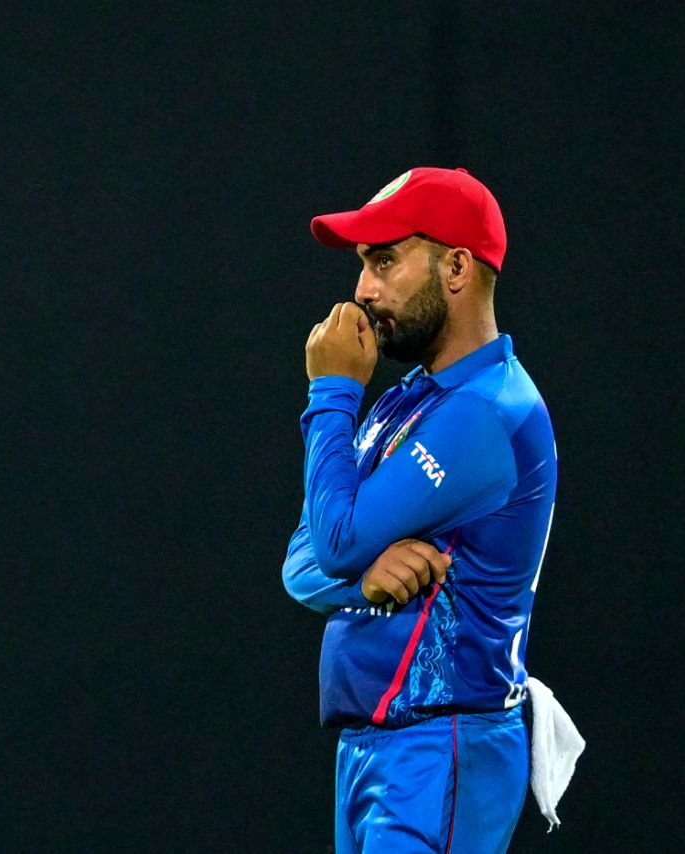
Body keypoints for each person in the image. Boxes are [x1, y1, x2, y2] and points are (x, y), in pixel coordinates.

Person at [282, 166, 557, 853]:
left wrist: (333, 391)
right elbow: (302, 560)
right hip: (382, 748)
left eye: (384, 261)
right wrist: (363, 572)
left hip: (443, 746)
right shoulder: (412, 398)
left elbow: (336, 541)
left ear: (457, 268)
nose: (362, 289)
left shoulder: (485, 411)